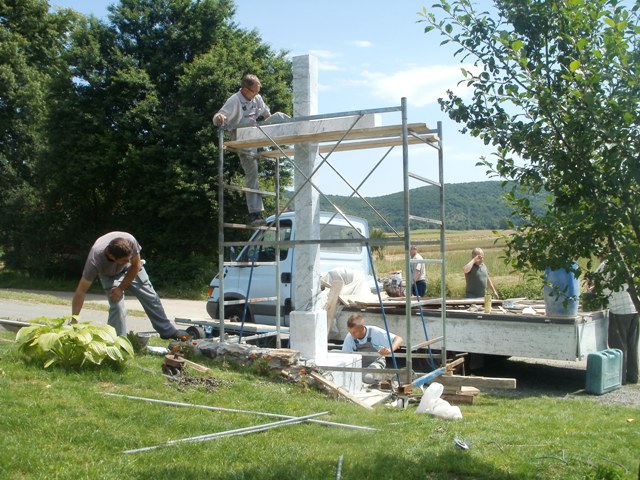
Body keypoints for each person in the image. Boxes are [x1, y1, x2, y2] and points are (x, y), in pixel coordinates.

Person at [71, 232, 187, 340]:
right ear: (111, 256)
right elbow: (81, 291)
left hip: (133, 270)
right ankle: (118, 341)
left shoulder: (130, 241)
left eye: (129, 258)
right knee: (117, 307)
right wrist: (74, 321)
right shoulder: (95, 261)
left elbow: (135, 265)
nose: (128, 261)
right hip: (110, 275)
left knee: (151, 297)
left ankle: (168, 331)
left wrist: (121, 288)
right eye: (124, 260)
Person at [213, 74, 272, 226]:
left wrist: (274, 127)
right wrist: (219, 118)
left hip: (254, 135)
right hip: (241, 136)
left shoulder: (257, 98)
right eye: (254, 91)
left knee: (281, 117)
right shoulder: (235, 100)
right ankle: (254, 213)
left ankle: (256, 212)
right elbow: (219, 116)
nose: (257, 94)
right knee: (252, 172)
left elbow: (267, 115)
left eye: (258, 91)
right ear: (245, 90)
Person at [595, 260, 638, 384]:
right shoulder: (627, 261)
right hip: (634, 308)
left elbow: (598, 285)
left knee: (619, 346)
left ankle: (619, 378)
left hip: (619, 310)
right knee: (632, 345)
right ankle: (633, 375)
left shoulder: (605, 266)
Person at [341, 313, 403, 384]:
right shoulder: (350, 336)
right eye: (350, 332)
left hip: (376, 362)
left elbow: (399, 339)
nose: (352, 335)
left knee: (368, 377)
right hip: (360, 364)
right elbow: (345, 355)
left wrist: (389, 350)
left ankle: (387, 376)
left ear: (362, 328)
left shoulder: (374, 332)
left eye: (354, 332)